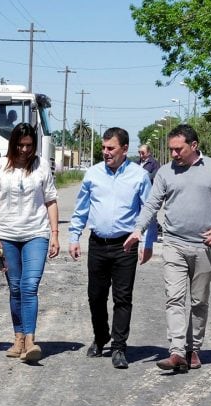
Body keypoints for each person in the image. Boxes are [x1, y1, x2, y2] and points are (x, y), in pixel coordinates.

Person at [124, 124, 211, 373]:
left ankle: (193, 349)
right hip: (174, 244)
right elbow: (152, 204)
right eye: (171, 149)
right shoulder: (165, 172)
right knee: (174, 299)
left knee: (198, 301)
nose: (174, 154)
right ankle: (176, 351)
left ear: (194, 146)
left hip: (204, 246)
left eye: (178, 149)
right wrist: (138, 229)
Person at [68, 127, 157, 370]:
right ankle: (100, 336)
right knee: (95, 296)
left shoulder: (139, 176)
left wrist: (147, 244)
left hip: (125, 245)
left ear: (124, 149)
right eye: (104, 148)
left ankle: (119, 346)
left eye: (111, 148)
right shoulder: (93, 174)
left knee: (122, 297)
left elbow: (149, 212)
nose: (106, 152)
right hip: (97, 243)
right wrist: (74, 236)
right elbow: (81, 208)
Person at [0, 123, 60, 363]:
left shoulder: (41, 167)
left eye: (29, 145)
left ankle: (30, 340)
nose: (25, 150)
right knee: (15, 287)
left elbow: (51, 200)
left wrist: (55, 234)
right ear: (13, 143)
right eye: (21, 145)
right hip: (7, 235)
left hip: (36, 233)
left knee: (29, 285)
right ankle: (18, 337)